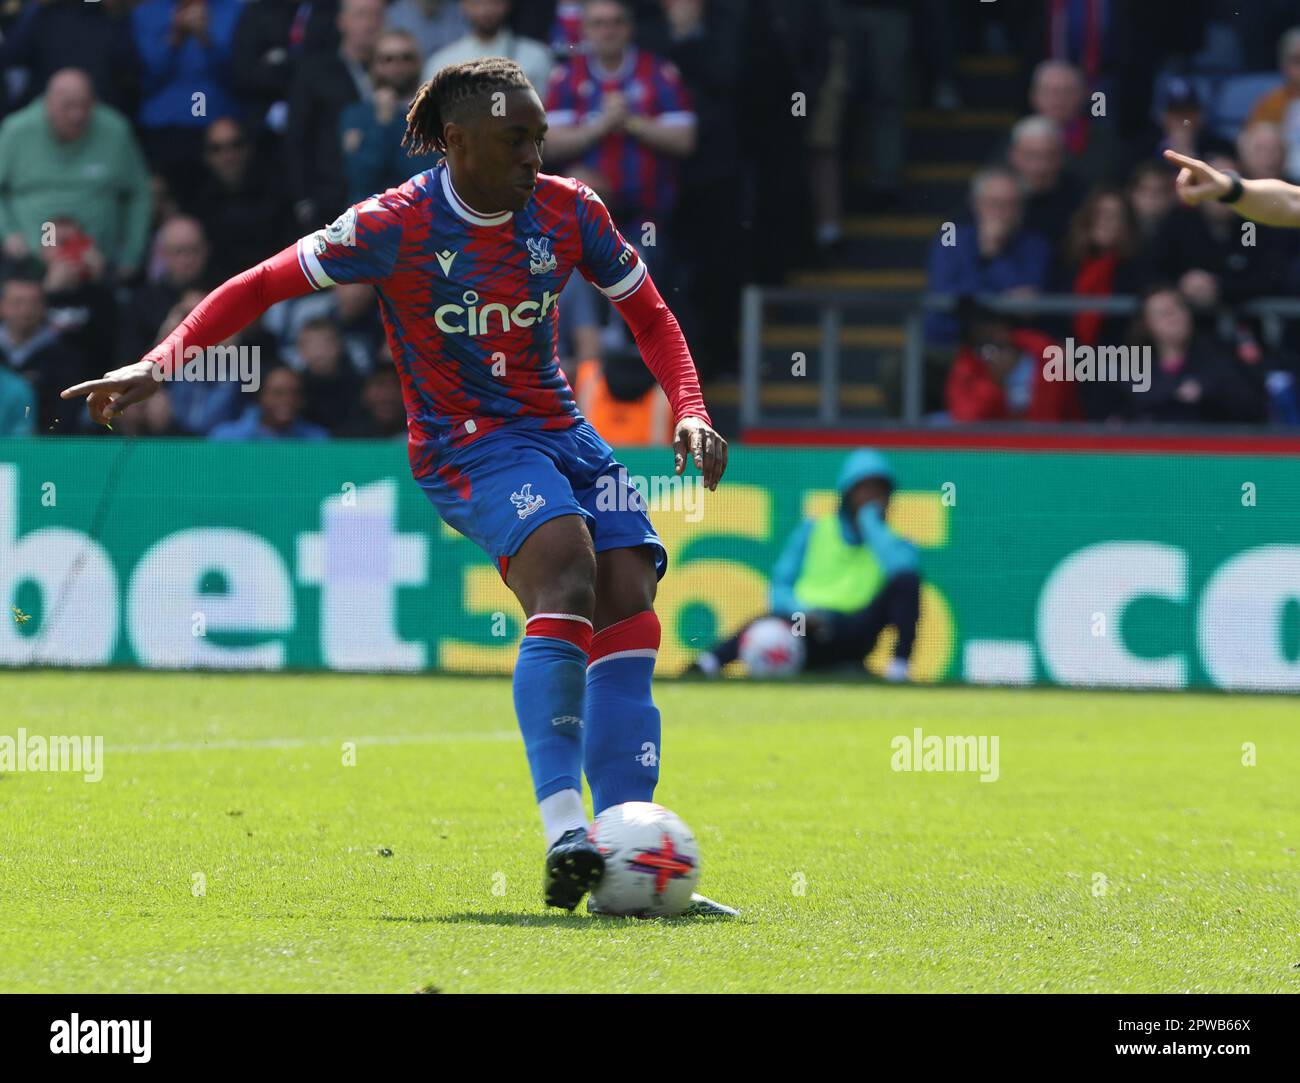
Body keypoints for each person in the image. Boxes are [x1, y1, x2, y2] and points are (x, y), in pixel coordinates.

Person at [62, 56, 732, 917]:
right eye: (515, 140)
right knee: (565, 567)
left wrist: (689, 406)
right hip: (466, 443)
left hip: (562, 429)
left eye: (539, 138)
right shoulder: (394, 222)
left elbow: (648, 312)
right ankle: (568, 830)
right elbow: (262, 282)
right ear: (455, 143)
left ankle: (623, 848)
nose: (536, 156)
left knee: (629, 586)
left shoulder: (570, 211)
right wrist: (162, 363)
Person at [688, 450, 920, 684]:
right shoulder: (814, 528)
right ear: (847, 493)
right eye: (864, 489)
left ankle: (898, 670)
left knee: (907, 581)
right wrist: (802, 610)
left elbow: (903, 577)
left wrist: (870, 524)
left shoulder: (896, 544)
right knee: (765, 624)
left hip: (860, 629)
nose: (871, 497)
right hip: (810, 626)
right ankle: (706, 665)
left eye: (879, 491)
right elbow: (779, 586)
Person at [424, 0, 554, 93]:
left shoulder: (537, 56)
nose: (486, 10)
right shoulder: (440, 63)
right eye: (477, 2)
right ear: (463, 5)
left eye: (493, 2)